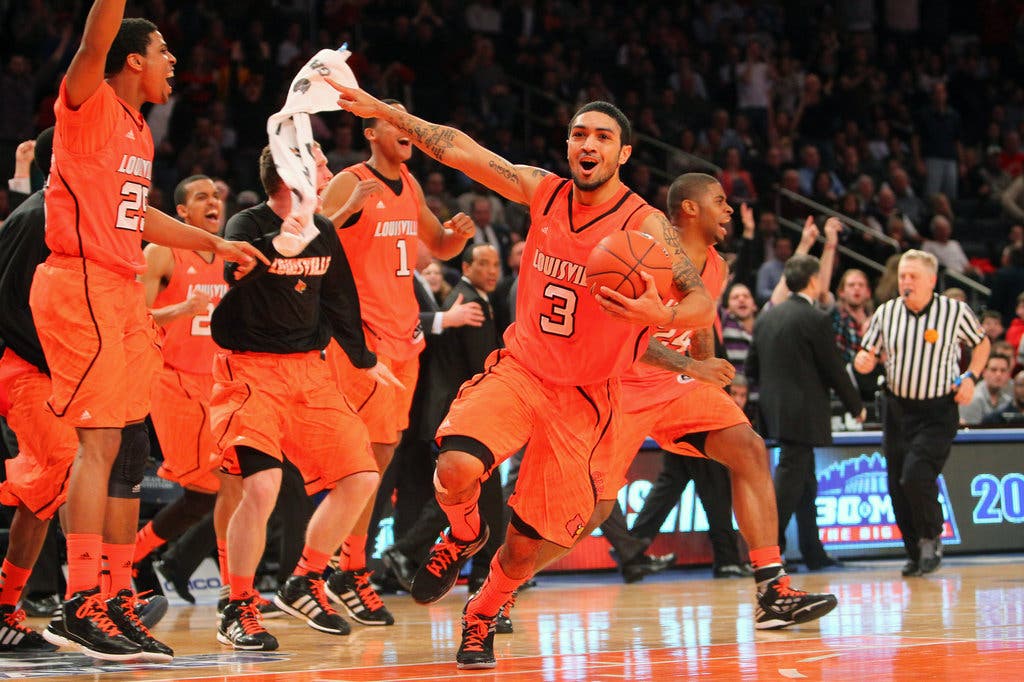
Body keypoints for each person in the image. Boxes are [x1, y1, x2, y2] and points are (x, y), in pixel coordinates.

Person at [328, 81, 715, 670]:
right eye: (579, 134)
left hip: (586, 397)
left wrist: (663, 313)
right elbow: (461, 149)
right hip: (522, 369)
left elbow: (701, 303)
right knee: (455, 465)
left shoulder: (648, 227)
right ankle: (461, 535)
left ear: (623, 154)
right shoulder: (542, 191)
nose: (589, 144)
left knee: (528, 540)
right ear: (568, 145)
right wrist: (388, 112)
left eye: (603, 137)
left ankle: (483, 611)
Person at [27, 1, 263, 662]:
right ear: (133, 58)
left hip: (119, 289)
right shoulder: (90, 101)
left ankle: (118, 594)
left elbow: (142, 219)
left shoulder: (138, 131)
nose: (174, 64)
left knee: (126, 455)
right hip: (82, 283)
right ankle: (80, 601)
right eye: (165, 53)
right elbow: (94, 37)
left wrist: (214, 243)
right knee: (97, 445)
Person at [610, 174, 838, 619]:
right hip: (617, 383)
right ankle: (497, 590)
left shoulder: (716, 266)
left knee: (750, 449)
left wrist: (707, 375)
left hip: (674, 385)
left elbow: (698, 325)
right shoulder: (640, 250)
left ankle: (772, 589)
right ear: (690, 209)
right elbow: (622, 335)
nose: (730, 209)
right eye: (720, 200)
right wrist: (691, 367)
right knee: (589, 509)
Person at [212, 146, 398, 651]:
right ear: (291, 175)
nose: (330, 172)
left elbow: (340, 300)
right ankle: (239, 605)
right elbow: (232, 273)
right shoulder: (245, 224)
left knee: (361, 477)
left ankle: (305, 578)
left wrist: (364, 359)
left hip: (309, 373)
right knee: (264, 484)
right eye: (319, 164)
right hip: (250, 371)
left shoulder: (325, 230)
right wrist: (279, 245)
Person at [318, 99, 477, 627]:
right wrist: (339, 212)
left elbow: (435, 247)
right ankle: (333, 570)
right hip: (363, 344)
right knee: (359, 463)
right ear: (370, 132)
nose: (408, 126)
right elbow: (307, 240)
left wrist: (457, 236)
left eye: (412, 118)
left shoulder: (408, 184)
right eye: (396, 119)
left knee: (377, 462)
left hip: (403, 340)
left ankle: (345, 569)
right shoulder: (351, 180)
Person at [134, 173, 278, 619]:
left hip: (221, 382)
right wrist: (181, 309)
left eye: (216, 194)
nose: (213, 201)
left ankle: (135, 557)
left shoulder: (230, 256)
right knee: (224, 485)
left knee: (213, 491)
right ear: (181, 212)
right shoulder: (162, 251)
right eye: (201, 196)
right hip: (174, 382)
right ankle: (233, 592)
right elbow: (134, 320)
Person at [855, 250, 989, 576]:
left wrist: (970, 376)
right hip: (897, 408)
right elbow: (867, 350)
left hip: (938, 410)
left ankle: (931, 537)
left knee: (915, 474)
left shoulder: (954, 311)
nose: (906, 282)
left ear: (931, 280)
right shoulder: (887, 313)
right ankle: (914, 551)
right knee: (896, 483)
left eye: (913, 276)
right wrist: (864, 360)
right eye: (902, 275)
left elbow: (981, 345)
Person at [748, 254, 865, 571]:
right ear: (814, 281)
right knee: (789, 481)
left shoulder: (765, 318)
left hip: (773, 410)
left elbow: (751, 369)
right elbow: (834, 369)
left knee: (805, 482)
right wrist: (856, 405)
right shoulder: (814, 318)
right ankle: (769, 553)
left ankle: (814, 552)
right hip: (802, 412)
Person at [958, 354, 1013, 425]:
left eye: (1003, 370)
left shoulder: (1009, 396)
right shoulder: (973, 398)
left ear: (1008, 374)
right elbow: (970, 432)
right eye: (993, 370)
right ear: (984, 372)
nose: (998, 374)